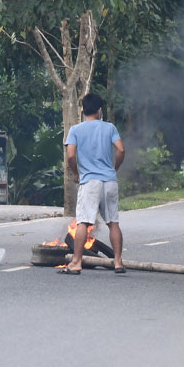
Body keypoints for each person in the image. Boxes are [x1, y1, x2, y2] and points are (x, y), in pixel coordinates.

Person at [59, 93, 125, 275]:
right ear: (100, 110)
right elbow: (121, 150)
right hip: (109, 181)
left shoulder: (75, 130)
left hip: (90, 182)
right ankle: (118, 262)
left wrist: (75, 173)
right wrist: (114, 169)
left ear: (83, 110)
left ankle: (76, 262)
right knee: (113, 222)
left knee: (83, 222)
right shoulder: (110, 128)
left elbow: (70, 155)